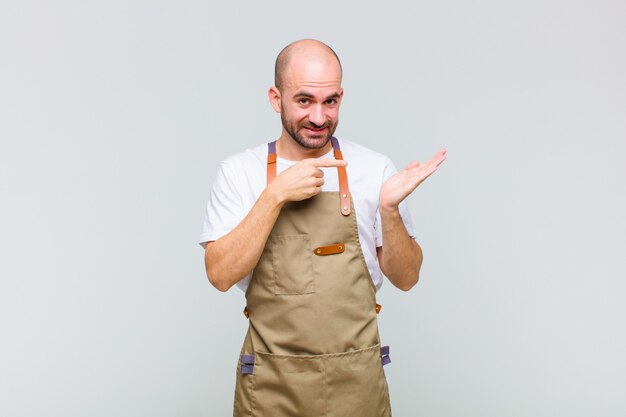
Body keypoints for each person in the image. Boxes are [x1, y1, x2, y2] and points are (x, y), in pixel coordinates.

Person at [199, 39, 446, 417]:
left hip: (357, 384)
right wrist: (274, 196)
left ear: (341, 97)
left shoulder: (373, 168)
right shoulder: (239, 172)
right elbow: (219, 274)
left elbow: (408, 277)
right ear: (275, 98)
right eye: (304, 101)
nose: (318, 117)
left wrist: (388, 210)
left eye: (330, 101)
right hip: (271, 387)